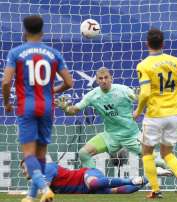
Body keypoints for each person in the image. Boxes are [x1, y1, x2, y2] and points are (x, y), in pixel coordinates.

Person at [1, 15, 73, 202]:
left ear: (24, 31)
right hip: (48, 108)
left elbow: (7, 81)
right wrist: (52, 90)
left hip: (27, 107)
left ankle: (43, 188)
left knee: (28, 154)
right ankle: (31, 197)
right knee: (41, 155)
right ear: (42, 32)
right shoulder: (53, 53)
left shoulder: (16, 53)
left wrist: (7, 102)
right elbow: (69, 82)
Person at [133, 28, 177, 199]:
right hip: (173, 115)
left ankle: (155, 190)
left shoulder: (143, 65)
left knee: (147, 153)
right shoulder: (175, 61)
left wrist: (138, 111)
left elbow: (145, 93)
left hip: (154, 115)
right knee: (167, 153)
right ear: (163, 43)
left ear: (147, 44)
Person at [56, 67, 143, 168]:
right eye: (100, 78)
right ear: (97, 80)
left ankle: (153, 178)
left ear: (111, 78)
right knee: (83, 153)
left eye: (106, 77)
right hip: (110, 136)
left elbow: (137, 98)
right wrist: (65, 108)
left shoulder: (123, 90)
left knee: (154, 159)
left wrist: (139, 99)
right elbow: (74, 110)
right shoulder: (92, 95)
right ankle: (95, 180)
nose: (104, 81)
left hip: (131, 135)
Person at [20, 160, 147, 198]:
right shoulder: (38, 181)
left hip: (86, 175)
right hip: (85, 190)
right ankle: (149, 178)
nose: (24, 171)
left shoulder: (47, 168)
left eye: (24, 167)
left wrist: (27, 195)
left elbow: (44, 189)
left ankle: (130, 179)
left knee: (93, 183)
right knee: (122, 191)